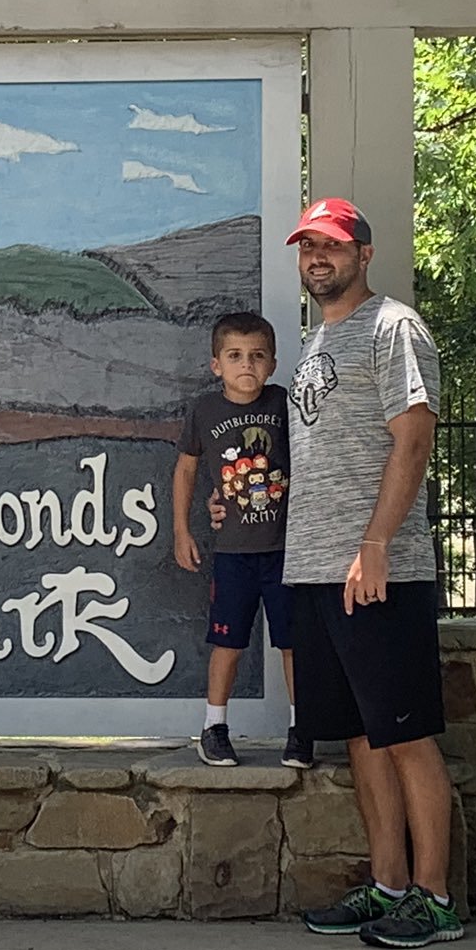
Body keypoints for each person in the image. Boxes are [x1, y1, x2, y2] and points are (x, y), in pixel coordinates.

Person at [279, 197, 459, 948]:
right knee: (359, 736)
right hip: (320, 568)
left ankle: (436, 898)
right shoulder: (319, 339)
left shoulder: (392, 328)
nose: (317, 257)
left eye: (331, 245)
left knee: (407, 736)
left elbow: (413, 439)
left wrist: (377, 544)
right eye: (307, 246)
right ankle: (387, 885)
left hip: (377, 570)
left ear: (363, 253)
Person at [172, 311, 312, 770]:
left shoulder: (284, 406)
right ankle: (214, 727)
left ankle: (302, 727)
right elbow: (187, 468)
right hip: (232, 552)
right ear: (216, 365)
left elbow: (310, 463)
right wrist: (182, 529)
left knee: (294, 642)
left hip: (285, 550)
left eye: (256, 356)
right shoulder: (206, 412)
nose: (246, 365)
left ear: (272, 363)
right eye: (234, 356)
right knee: (227, 641)